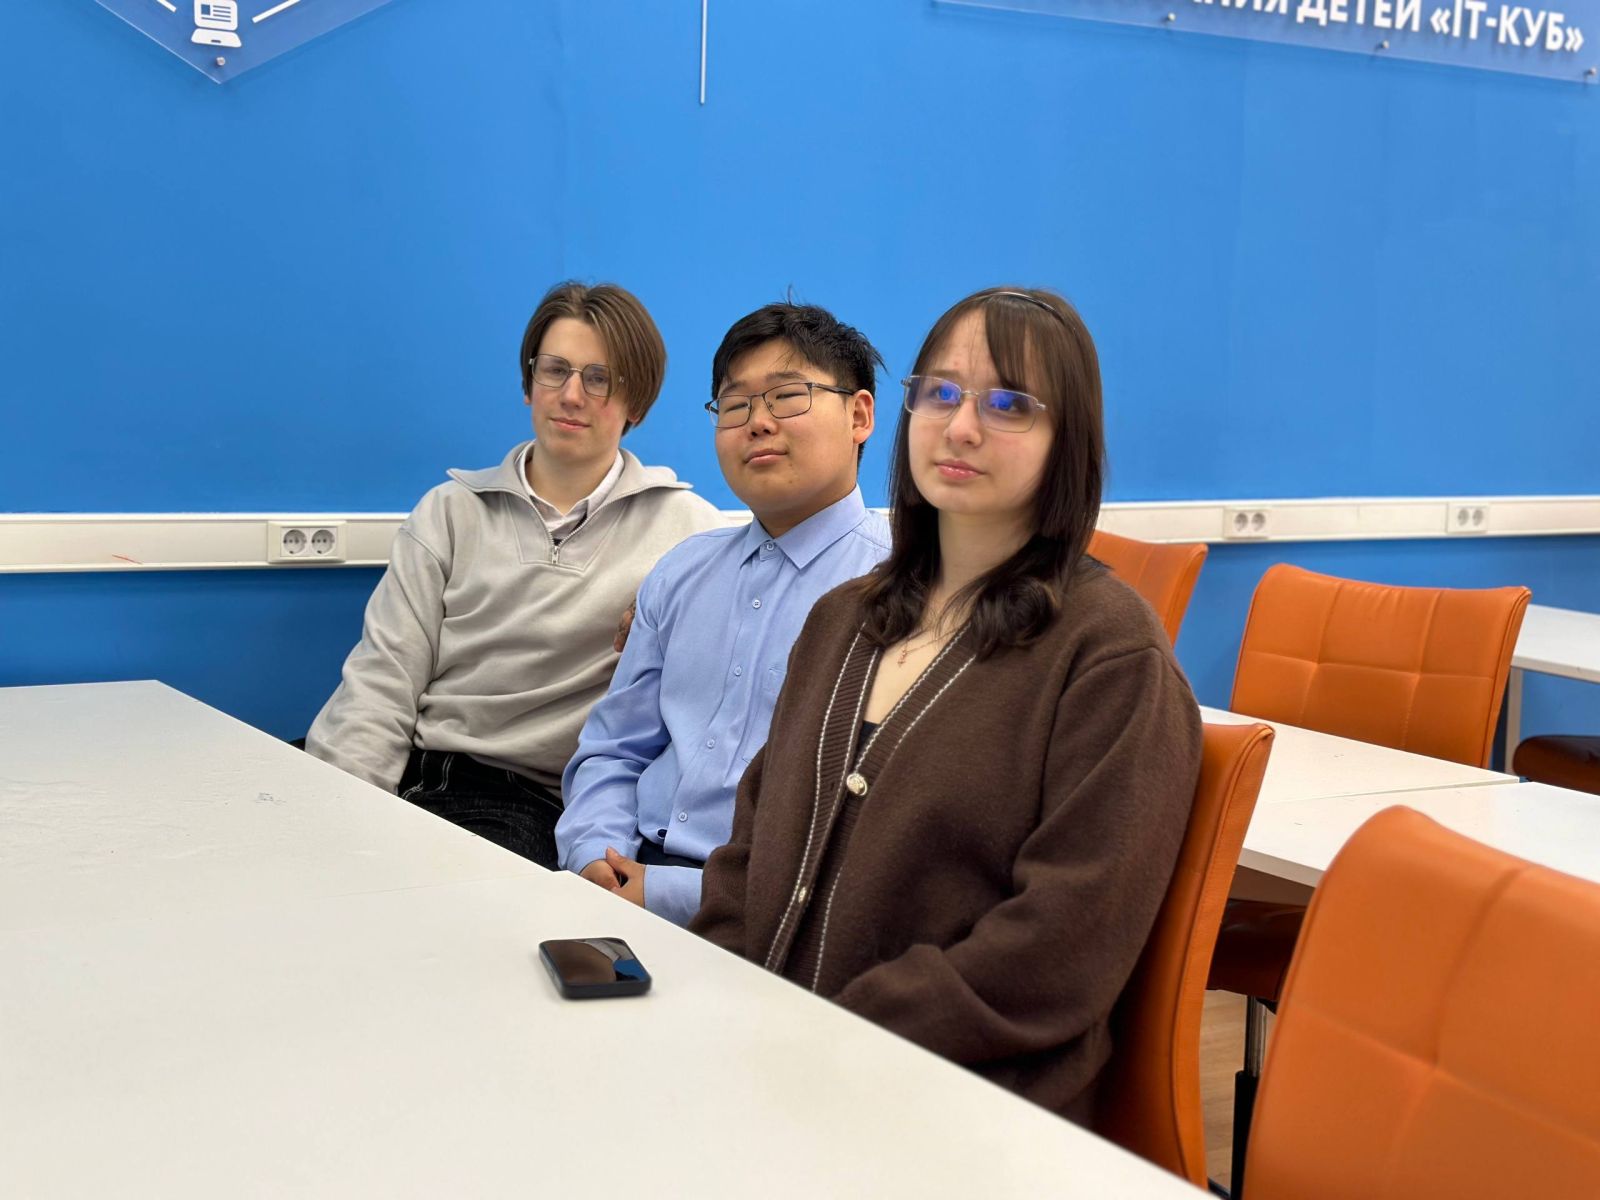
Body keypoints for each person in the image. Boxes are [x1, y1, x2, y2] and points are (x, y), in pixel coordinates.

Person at [690, 287, 1203, 1123]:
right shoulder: (842, 619)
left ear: (1068, 438)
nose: (961, 427)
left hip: (956, 1109)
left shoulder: (1110, 655)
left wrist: (826, 1039)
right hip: (771, 1066)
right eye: (940, 393)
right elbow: (750, 848)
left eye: (1008, 404)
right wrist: (725, 997)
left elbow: (1061, 945)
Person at [305, 281, 723, 867]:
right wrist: (335, 811)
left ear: (637, 402)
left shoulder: (691, 534)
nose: (571, 395)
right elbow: (382, 681)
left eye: (599, 378)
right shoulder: (448, 512)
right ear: (529, 384)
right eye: (555, 370)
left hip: (534, 801)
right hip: (414, 766)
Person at [555, 301, 891, 926]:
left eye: (786, 396)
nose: (758, 422)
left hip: (778, 918)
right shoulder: (683, 571)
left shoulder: (905, 589)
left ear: (859, 415)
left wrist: (666, 893)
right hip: (620, 878)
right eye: (735, 405)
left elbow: (874, 824)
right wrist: (592, 856)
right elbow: (614, 749)